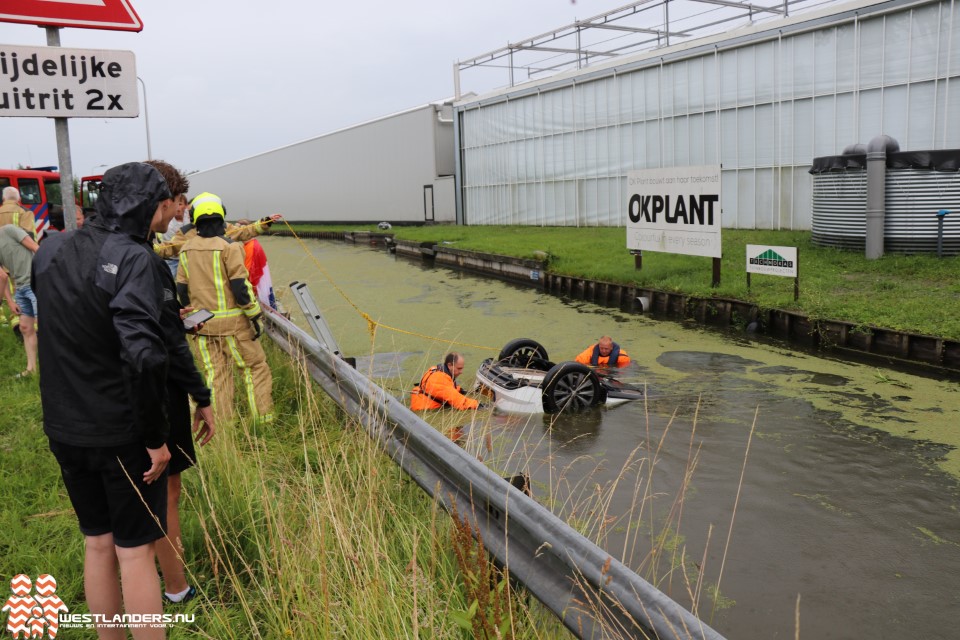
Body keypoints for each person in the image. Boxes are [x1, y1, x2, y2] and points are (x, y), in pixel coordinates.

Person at [32, 162, 177, 640]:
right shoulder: (135, 259)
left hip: (64, 426)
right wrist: (157, 439)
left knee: (97, 543)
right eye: (163, 206)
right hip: (120, 432)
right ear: (150, 207)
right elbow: (144, 357)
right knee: (134, 551)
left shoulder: (50, 248)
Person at [143, 161, 216, 605]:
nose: (178, 216)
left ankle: (153, 572)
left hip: (91, 407)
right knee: (166, 489)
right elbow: (165, 342)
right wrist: (200, 396)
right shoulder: (146, 259)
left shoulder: (77, 251)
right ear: (161, 200)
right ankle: (176, 586)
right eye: (174, 207)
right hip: (158, 394)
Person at [176, 192, 274, 426]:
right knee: (255, 370)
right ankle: (264, 424)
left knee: (215, 378)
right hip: (234, 328)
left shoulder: (186, 249)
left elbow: (181, 290)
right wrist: (254, 316)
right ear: (222, 217)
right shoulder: (229, 247)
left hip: (202, 326)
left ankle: (220, 430)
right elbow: (241, 288)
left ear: (195, 219)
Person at [0, 224, 40, 377]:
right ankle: (31, 370)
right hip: (20, 287)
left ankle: (63, 367)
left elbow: (37, 249)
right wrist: (10, 301)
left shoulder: (10, 230)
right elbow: (2, 276)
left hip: (34, 283)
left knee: (45, 325)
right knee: (25, 327)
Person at [410, 352, 481, 410]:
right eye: (459, 368)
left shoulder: (436, 370)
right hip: (425, 411)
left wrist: (461, 390)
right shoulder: (439, 380)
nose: (461, 372)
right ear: (450, 365)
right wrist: (480, 405)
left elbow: (447, 389)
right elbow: (461, 402)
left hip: (421, 403)